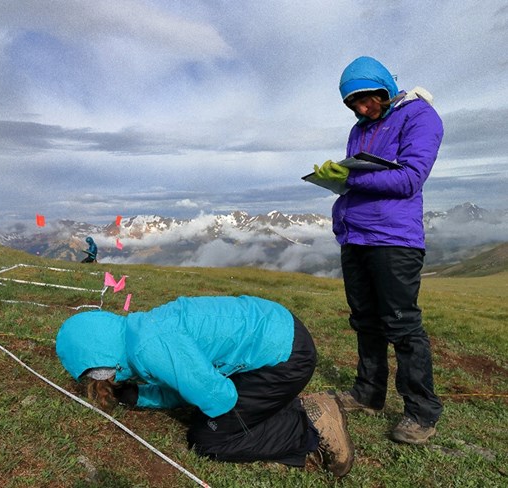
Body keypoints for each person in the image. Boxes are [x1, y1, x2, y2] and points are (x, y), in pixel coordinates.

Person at [56, 295, 354, 477]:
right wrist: (142, 396)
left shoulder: (149, 348)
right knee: (213, 413)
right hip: (277, 329)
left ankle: (310, 426)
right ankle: (290, 407)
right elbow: (183, 378)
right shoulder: (139, 331)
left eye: (94, 374)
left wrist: (203, 412)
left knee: (208, 439)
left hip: (286, 358)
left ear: (100, 362)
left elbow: (220, 397)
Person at [313, 56, 443, 444]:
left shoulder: (420, 116)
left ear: (384, 88)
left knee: (402, 325)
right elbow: (363, 177)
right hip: (355, 236)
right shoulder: (359, 129)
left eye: (367, 99)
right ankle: (368, 394)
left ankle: (421, 412)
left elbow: (410, 178)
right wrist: (337, 179)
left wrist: (350, 175)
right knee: (365, 319)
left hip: (393, 238)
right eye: (353, 103)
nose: (362, 108)